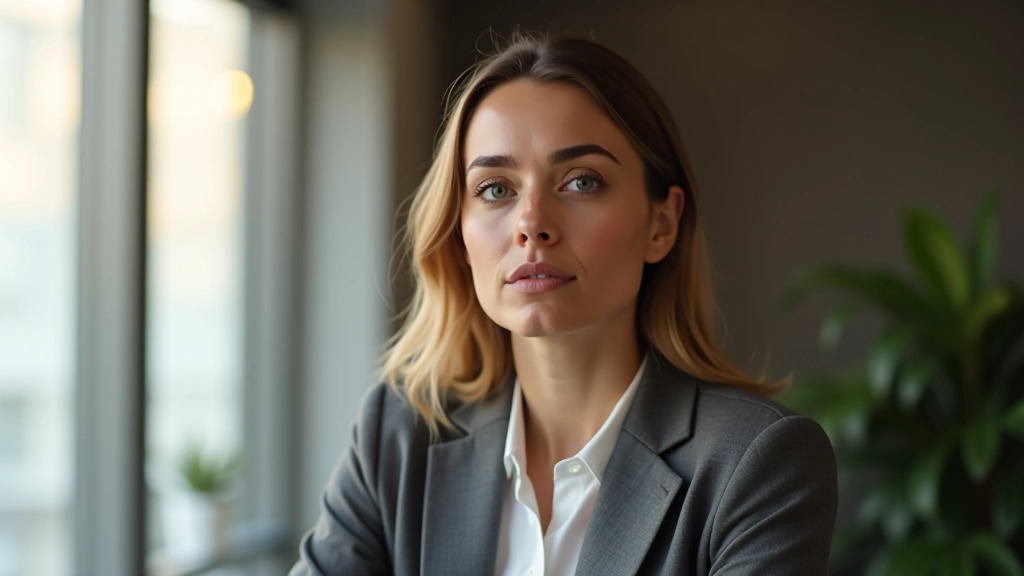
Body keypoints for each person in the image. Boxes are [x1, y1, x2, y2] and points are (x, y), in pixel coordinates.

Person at [289, 32, 837, 576]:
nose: (532, 224)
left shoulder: (756, 462)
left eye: (581, 182)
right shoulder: (397, 437)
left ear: (661, 224)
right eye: (496, 189)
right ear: (458, 235)